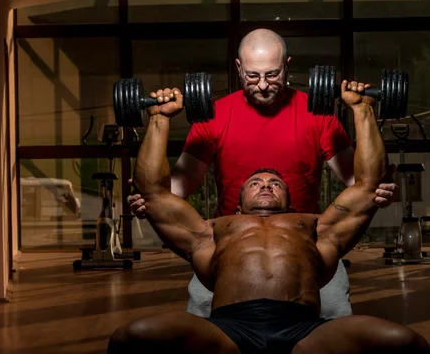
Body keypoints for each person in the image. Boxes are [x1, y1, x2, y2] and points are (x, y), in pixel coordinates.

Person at [108, 83, 429, 354]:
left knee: (405, 342)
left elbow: (368, 185)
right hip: (227, 329)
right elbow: (154, 193)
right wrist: (159, 119)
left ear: (291, 207)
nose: (265, 185)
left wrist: (362, 109)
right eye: (255, 183)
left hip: (304, 330)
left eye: (275, 183)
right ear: (236, 208)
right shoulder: (213, 232)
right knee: (131, 337)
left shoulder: (315, 230)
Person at [127, 28, 398, 319]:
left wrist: (377, 184)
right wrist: (150, 199)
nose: (263, 85)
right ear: (239, 67)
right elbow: (174, 191)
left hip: (309, 243)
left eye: (273, 74)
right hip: (227, 246)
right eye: (253, 76)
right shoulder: (213, 116)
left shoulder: (318, 114)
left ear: (287, 66)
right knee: (201, 327)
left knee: (335, 324)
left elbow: (361, 184)